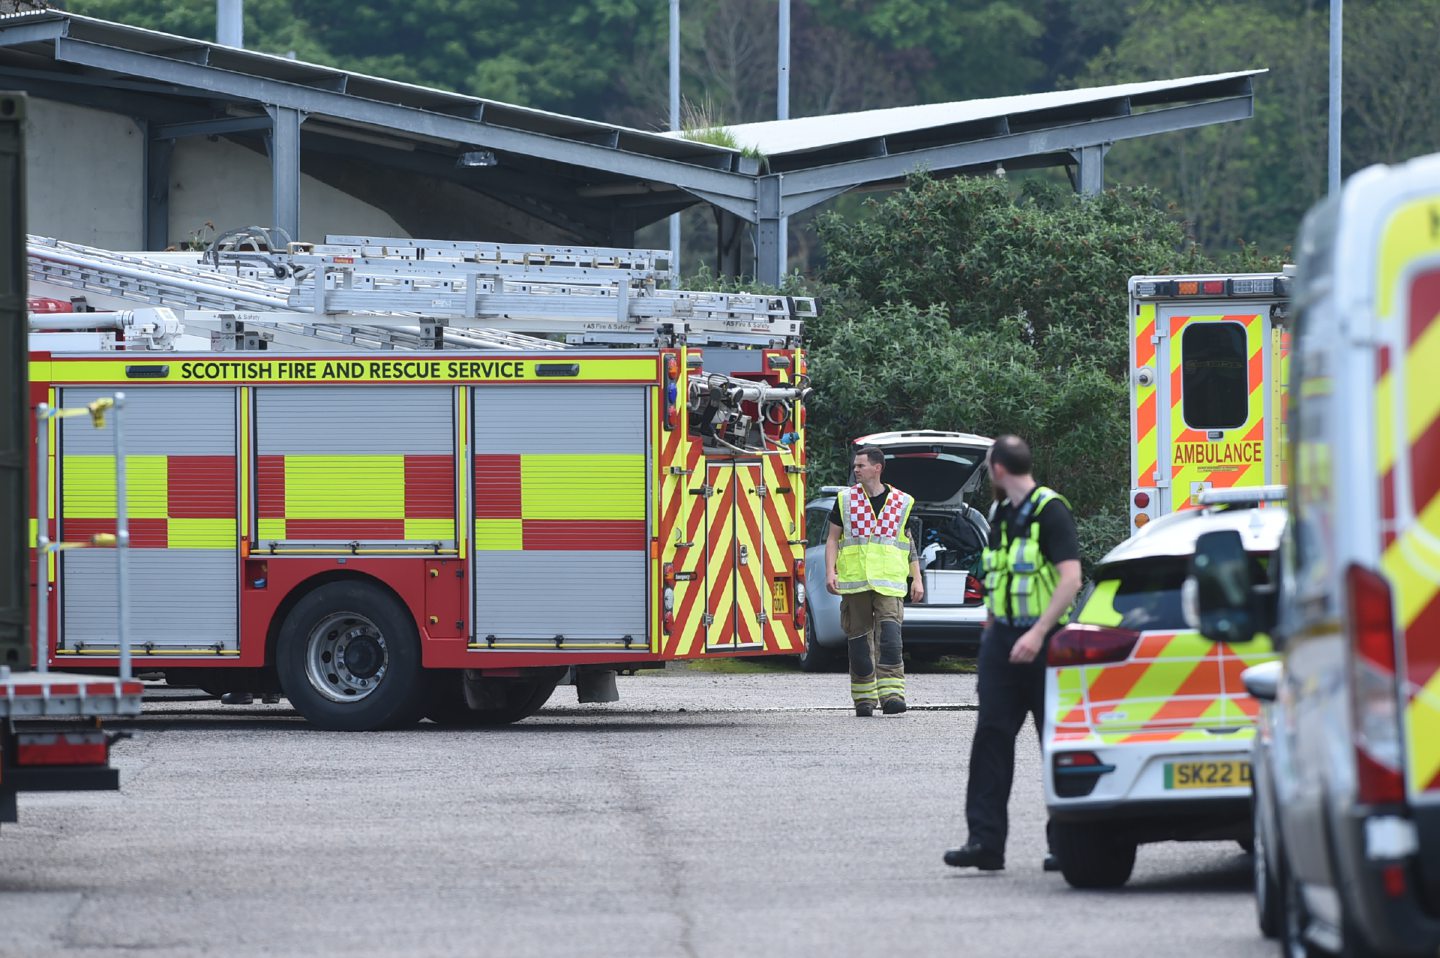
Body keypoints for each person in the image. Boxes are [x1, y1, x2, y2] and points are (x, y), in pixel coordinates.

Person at [943, 435, 1081, 871]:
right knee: (991, 740)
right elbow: (999, 580)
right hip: (1002, 641)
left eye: (988, 469)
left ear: (998, 470)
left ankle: (1066, 842)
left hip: (1045, 642)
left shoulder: (1050, 510)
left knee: (1055, 743)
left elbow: (1070, 579)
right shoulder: (999, 513)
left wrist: (1039, 634)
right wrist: (991, 637)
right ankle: (985, 843)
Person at [824, 445, 924, 717]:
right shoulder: (845, 499)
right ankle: (864, 698)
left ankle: (892, 695)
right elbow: (833, 539)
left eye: (861, 465)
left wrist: (917, 578)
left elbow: (908, 543)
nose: (856, 470)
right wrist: (829, 572)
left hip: (889, 582)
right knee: (858, 642)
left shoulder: (901, 502)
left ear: (877, 468)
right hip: (855, 580)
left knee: (891, 638)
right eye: (855, 466)